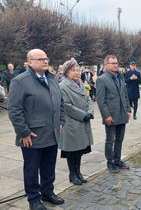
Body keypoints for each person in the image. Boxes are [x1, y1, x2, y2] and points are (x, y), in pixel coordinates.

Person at [8, 49, 65, 210]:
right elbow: (14, 110)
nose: (45, 61)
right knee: (32, 168)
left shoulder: (52, 79)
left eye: (46, 58)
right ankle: (34, 199)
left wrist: (61, 121)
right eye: (40, 59)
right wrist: (23, 132)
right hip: (32, 135)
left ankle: (48, 192)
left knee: (49, 165)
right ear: (30, 63)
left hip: (52, 132)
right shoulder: (20, 81)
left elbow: (60, 102)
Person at [59, 58, 94, 186]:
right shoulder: (63, 86)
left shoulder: (80, 83)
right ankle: (72, 174)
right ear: (66, 72)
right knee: (71, 151)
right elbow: (66, 106)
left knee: (79, 150)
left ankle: (78, 172)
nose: (77, 73)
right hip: (72, 123)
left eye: (78, 70)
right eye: (73, 70)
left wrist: (90, 111)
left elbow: (89, 99)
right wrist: (83, 115)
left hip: (82, 121)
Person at [96, 55, 131, 173]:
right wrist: (106, 115)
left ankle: (117, 160)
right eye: (113, 63)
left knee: (120, 139)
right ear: (106, 65)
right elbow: (101, 100)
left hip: (122, 114)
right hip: (111, 115)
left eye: (116, 63)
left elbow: (125, 95)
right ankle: (110, 162)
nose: (116, 65)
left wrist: (128, 110)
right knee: (110, 140)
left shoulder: (120, 77)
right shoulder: (102, 79)